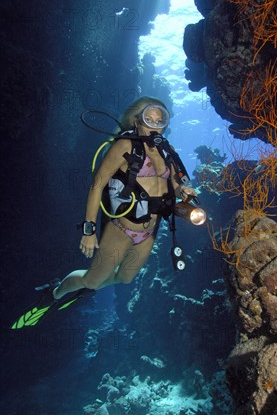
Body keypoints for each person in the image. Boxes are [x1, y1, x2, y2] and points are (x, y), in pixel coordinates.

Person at [52, 96, 196, 302]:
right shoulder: (125, 146)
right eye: (149, 119)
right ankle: (56, 292)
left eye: (159, 120)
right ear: (137, 120)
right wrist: (89, 230)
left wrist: (184, 190)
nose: (154, 125)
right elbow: (97, 186)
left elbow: (175, 184)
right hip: (121, 229)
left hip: (149, 233)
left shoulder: (167, 150)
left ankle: (95, 282)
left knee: (126, 278)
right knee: (92, 280)